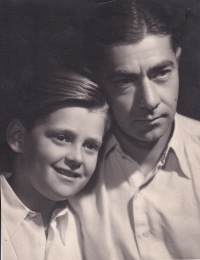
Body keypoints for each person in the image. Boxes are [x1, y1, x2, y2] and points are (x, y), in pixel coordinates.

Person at [68, 0, 200, 259]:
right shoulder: (67, 167)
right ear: (97, 81)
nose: (149, 101)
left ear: (178, 62)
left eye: (161, 72)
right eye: (125, 80)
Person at [1, 69, 110, 260]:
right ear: (18, 137)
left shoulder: (86, 230)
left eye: (90, 146)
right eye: (62, 138)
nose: (77, 158)